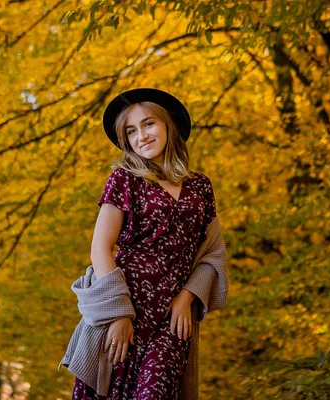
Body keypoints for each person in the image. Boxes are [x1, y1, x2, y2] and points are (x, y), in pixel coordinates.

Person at [68, 88, 226, 400]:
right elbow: (100, 249)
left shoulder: (200, 186)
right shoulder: (124, 179)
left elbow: (213, 253)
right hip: (125, 307)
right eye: (131, 131)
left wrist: (188, 296)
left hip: (172, 317)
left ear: (169, 125)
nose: (141, 135)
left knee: (157, 392)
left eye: (149, 124)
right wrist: (120, 314)